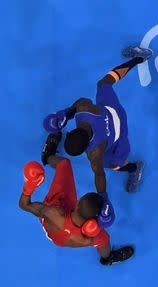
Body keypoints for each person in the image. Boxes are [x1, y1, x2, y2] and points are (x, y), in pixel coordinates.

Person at [42, 47, 152, 193]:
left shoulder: (96, 154)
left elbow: (99, 176)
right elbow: (80, 102)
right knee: (104, 83)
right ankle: (140, 58)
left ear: (85, 149)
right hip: (113, 110)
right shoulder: (83, 110)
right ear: (71, 132)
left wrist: (104, 197)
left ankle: (134, 168)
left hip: (120, 138)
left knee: (114, 164)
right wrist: (65, 114)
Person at [19, 135, 134, 265]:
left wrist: (29, 185)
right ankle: (107, 259)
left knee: (64, 164)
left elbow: (24, 205)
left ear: (78, 201)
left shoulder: (52, 212)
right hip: (61, 235)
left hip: (55, 217)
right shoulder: (89, 238)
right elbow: (96, 237)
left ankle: (48, 155)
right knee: (104, 241)